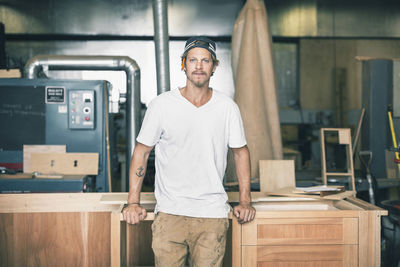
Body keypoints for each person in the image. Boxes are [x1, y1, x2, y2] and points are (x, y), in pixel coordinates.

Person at [122, 36, 256, 267]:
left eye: (205, 61)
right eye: (192, 60)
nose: (199, 66)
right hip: (170, 213)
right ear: (183, 64)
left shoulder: (227, 108)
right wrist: (133, 201)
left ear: (214, 67)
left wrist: (245, 201)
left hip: (211, 215)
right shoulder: (161, 105)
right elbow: (141, 152)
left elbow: (240, 153)